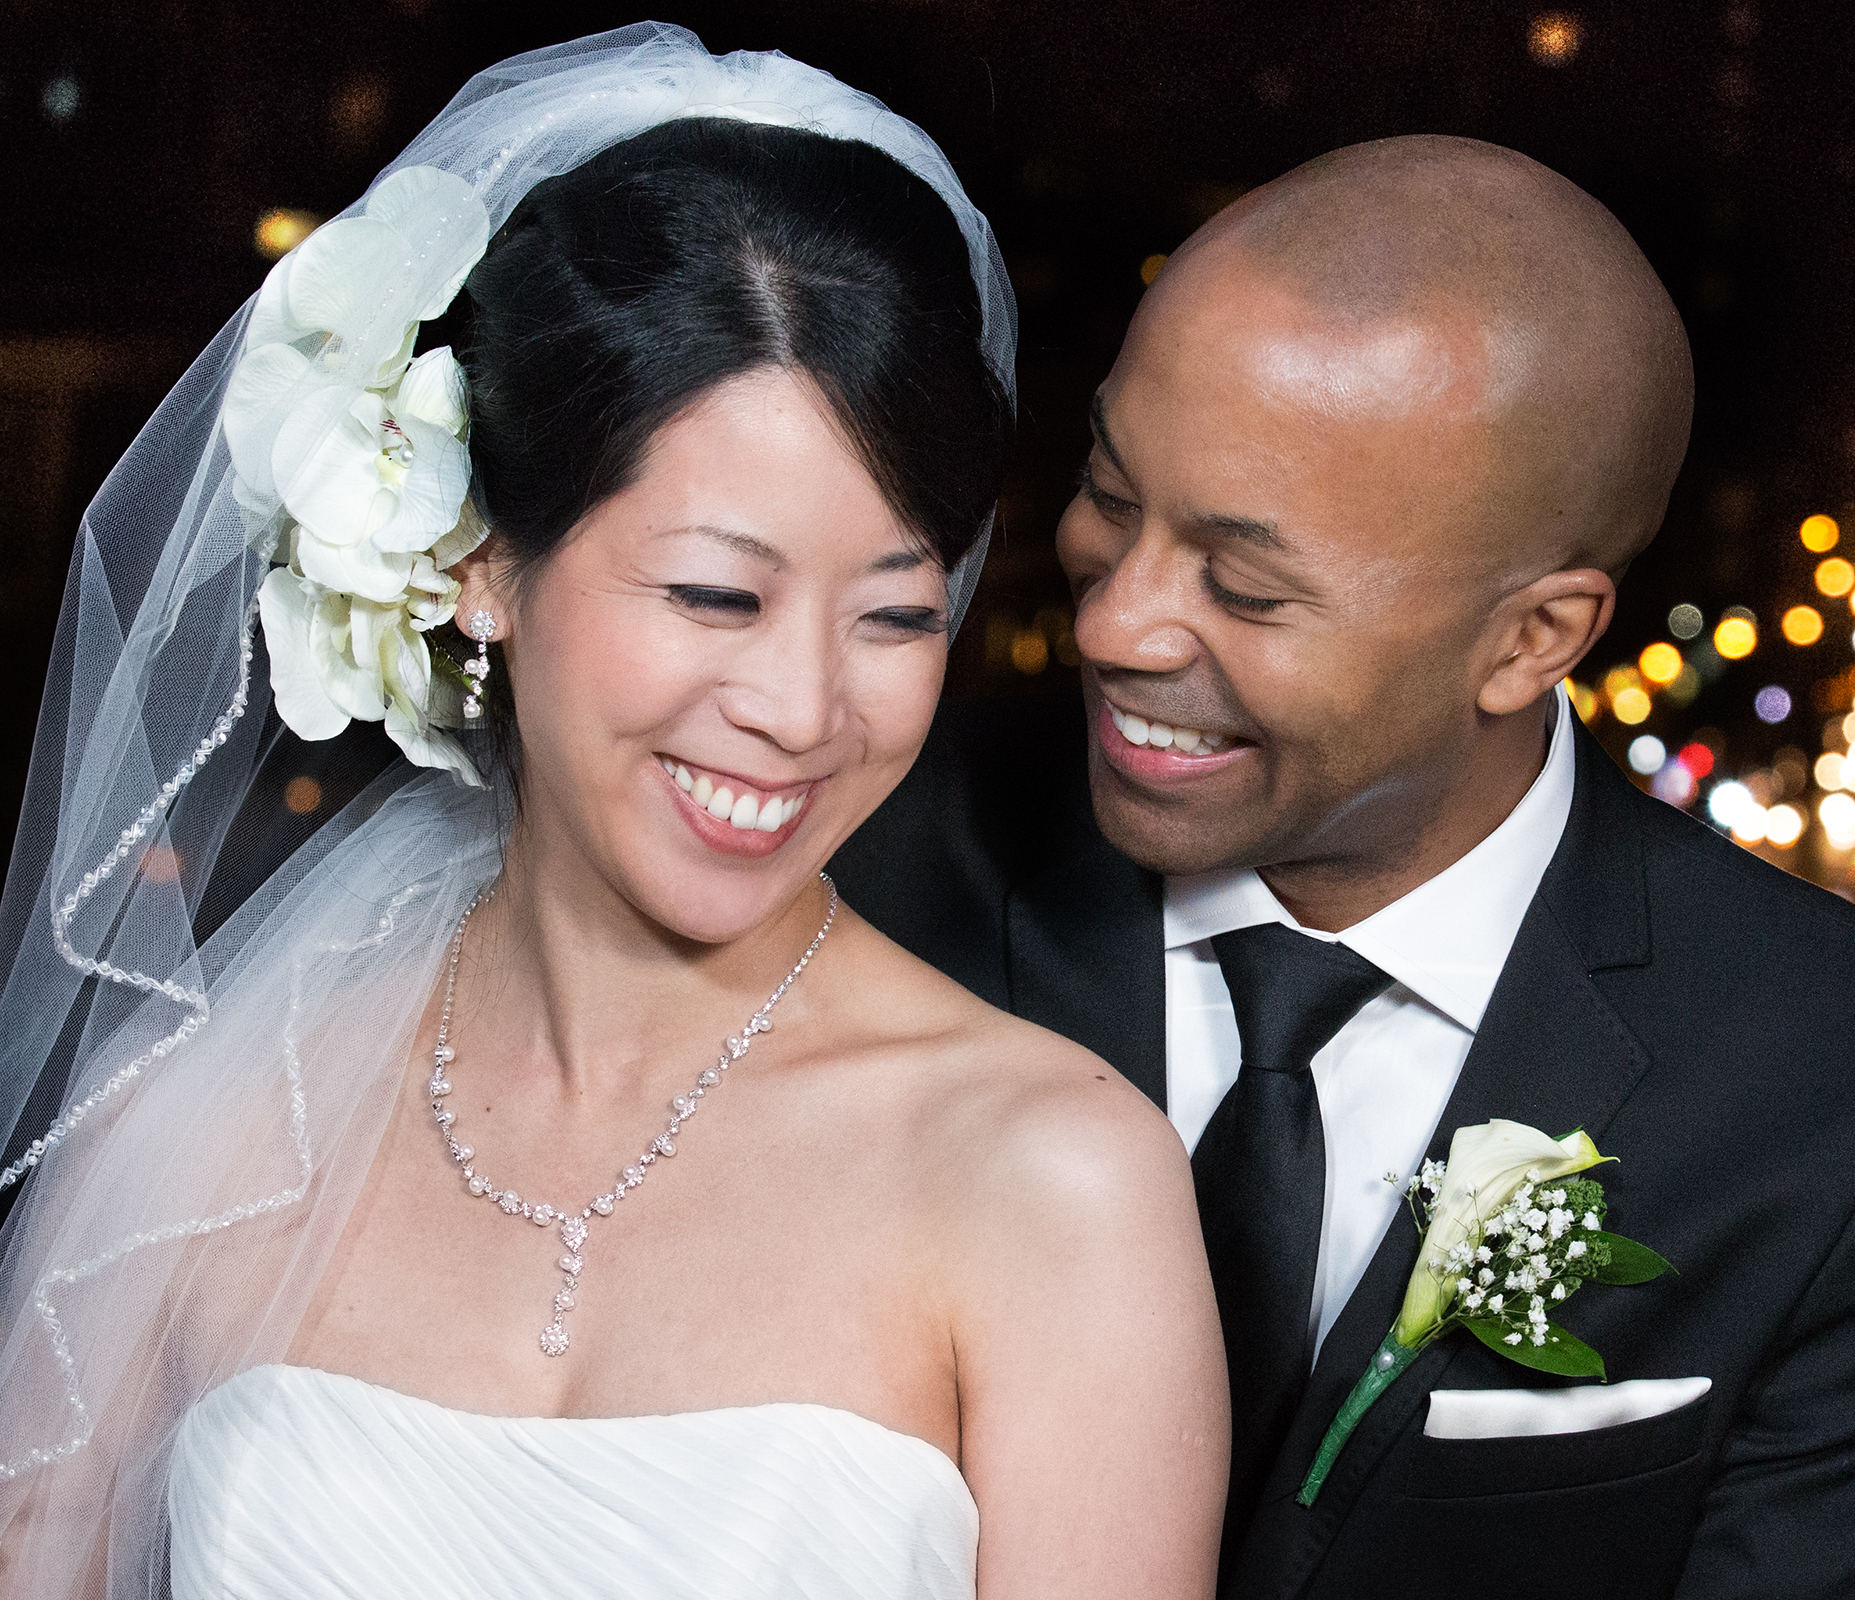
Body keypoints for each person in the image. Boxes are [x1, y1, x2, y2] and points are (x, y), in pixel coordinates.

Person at [0, 26, 1226, 1600]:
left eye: (895, 616)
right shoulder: (196, 1129)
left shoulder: (1057, 1182)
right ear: (483, 566)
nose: (803, 708)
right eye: (716, 594)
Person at [835, 135, 1855, 1598]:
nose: (1113, 624)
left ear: (1533, 640)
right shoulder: (859, 865)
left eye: (1246, 587)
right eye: (1111, 496)